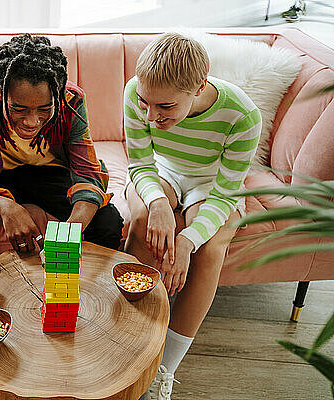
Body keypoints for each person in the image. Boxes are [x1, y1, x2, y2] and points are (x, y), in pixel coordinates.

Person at [123, 33, 261, 399]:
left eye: (165, 107)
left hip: (211, 183)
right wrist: (158, 204)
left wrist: (187, 239)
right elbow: (139, 163)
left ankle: (163, 369)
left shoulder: (243, 116)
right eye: (144, 102)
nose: (150, 116)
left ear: (199, 87)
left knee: (211, 247)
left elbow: (225, 193)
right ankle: (127, 340)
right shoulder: (136, 91)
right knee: (140, 223)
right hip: (160, 172)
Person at [0, 34, 123, 259]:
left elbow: (87, 173)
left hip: (51, 175)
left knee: (108, 222)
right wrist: (7, 207)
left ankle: (91, 290)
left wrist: (67, 235)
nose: (32, 121)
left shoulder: (70, 100)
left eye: (45, 109)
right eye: (19, 109)